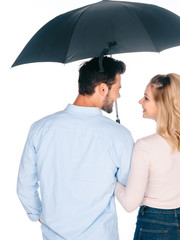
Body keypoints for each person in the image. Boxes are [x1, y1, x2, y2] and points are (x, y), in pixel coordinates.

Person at [17, 57, 134, 240]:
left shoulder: (40, 128)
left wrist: (37, 215)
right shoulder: (119, 136)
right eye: (117, 89)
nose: (119, 96)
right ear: (102, 88)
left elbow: (25, 186)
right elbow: (129, 185)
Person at [115, 73, 180, 240]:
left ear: (162, 104)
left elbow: (130, 204)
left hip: (153, 225)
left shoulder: (144, 146)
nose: (140, 102)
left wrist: (112, 181)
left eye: (146, 98)